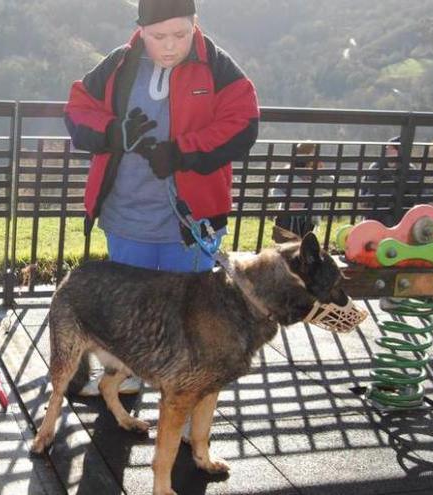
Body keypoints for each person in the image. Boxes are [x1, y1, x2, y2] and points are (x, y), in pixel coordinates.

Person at [63, 0, 259, 395]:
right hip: (126, 215)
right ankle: (126, 376)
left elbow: (243, 125)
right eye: (158, 36)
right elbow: (78, 108)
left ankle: (188, 387)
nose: (169, 46)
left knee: (194, 313)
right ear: (140, 30)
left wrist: (184, 151)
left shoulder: (218, 66)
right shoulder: (118, 65)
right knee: (129, 309)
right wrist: (114, 133)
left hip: (192, 221)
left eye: (180, 35)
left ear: (195, 25)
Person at [269, 142, 334, 239]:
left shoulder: (317, 174)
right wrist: (288, 201)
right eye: (311, 153)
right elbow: (275, 191)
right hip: (288, 217)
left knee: (304, 243)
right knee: (288, 244)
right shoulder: (288, 172)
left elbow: (332, 185)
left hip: (309, 218)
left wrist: (322, 171)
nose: (314, 157)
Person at [360, 136, 425, 227]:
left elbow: (419, 197)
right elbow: (364, 192)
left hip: (399, 218)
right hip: (375, 216)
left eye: (391, 149)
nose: (387, 151)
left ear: (400, 151)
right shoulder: (376, 167)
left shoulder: (410, 171)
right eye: (387, 148)